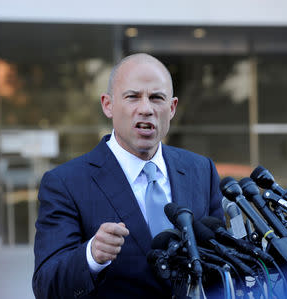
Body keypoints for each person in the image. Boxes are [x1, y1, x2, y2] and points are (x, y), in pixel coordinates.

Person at [32, 53, 224, 299]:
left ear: (172, 107)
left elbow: (221, 266)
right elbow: (46, 286)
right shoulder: (65, 183)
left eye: (156, 98)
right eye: (132, 97)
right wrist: (91, 256)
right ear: (107, 105)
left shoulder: (201, 170)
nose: (146, 109)